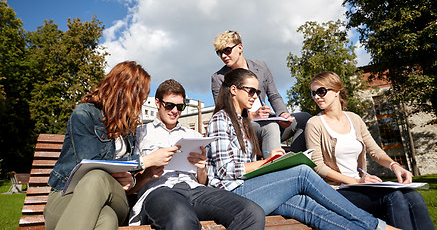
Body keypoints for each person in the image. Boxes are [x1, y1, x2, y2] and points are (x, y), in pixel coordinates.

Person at [206, 68, 399, 230]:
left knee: (306, 205)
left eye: (257, 92)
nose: (255, 96)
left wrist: (271, 162)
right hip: (231, 196)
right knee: (302, 173)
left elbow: (242, 166)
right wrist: (266, 162)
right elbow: (225, 170)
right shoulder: (221, 119)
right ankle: (376, 225)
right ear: (233, 89)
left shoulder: (242, 122)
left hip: (247, 189)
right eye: (251, 91)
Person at [44, 61, 170, 230]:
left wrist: (132, 180)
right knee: (107, 220)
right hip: (65, 198)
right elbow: (89, 164)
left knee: (97, 178)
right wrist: (143, 161)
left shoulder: (128, 127)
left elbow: (125, 175)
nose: (142, 101)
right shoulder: (85, 114)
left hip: (115, 197)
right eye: (141, 94)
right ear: (125, 91)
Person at [129, 79, 265, 229]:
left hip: (195, 190)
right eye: (169, 105)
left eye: (180, 106)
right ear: (157, 103)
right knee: (181, 220)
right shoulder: (141, 134)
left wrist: (201, 168)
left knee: (251, 213)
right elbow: (129, 187)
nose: (175, 111)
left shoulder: (193, 135)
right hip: (160, 191)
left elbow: (202, 181)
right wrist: (148, 174)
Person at [305, 71, 434, 230]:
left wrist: (395, 166)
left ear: (337, 91)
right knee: (394, 197)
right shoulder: (315, 123)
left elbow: (375, 151)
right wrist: (358, 181)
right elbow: (317, 166)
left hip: (360, 186)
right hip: (336, 191)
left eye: (321, 91)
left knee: (413, 196)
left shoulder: (354, 119)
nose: (316, 97)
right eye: (313, 93)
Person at [211, 30, 311, 157]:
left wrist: (283, 114)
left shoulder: (261, 67)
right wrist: (253, 115)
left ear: (240, 47)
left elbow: (274, 95)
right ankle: (274, 170)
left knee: (305, 118)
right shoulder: (218, 78)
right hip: (244, 127)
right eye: (219, 53)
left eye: (227, 50)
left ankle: (295, 161)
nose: (223, 56)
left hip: (269, 120)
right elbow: (224, 110)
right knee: (270, 126)